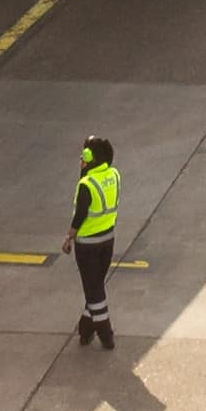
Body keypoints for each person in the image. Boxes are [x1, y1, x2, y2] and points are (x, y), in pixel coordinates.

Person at [67, 135, 119, 348]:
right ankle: (85, 329)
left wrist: (69, 236)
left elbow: (80, 215)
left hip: (87, 244)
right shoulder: (113, 175)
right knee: (95, 286)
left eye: (83, 155)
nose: (80, 159)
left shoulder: (86, 184)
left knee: (94, 290)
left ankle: (106, 334)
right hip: (108, 239)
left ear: (90, 157)